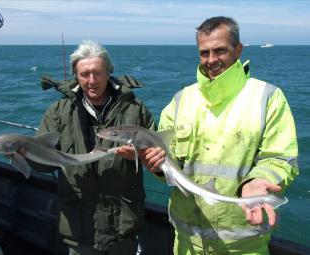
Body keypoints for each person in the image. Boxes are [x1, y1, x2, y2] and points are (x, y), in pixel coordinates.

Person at [140, 16, 298, 254]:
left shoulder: (268, 97)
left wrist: (256, 182)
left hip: (243, 246)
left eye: (220, 50)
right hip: (186, 243)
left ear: (239, 49)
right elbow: (170, 166)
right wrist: (155, 165)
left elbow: (280, 158)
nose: (211, 60)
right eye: (204, 52)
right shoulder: (180, 101)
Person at [36, 40, 155, 254]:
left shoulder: (136, 110)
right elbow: (42, 166)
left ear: (109, 72)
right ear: (76, 75)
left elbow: (156, 157)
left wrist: (140, 154)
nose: (91, 81)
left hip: (122, 226)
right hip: (79, 227)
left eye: (98, 73)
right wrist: (26, 155)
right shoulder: (57, 112)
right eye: (84, 74)